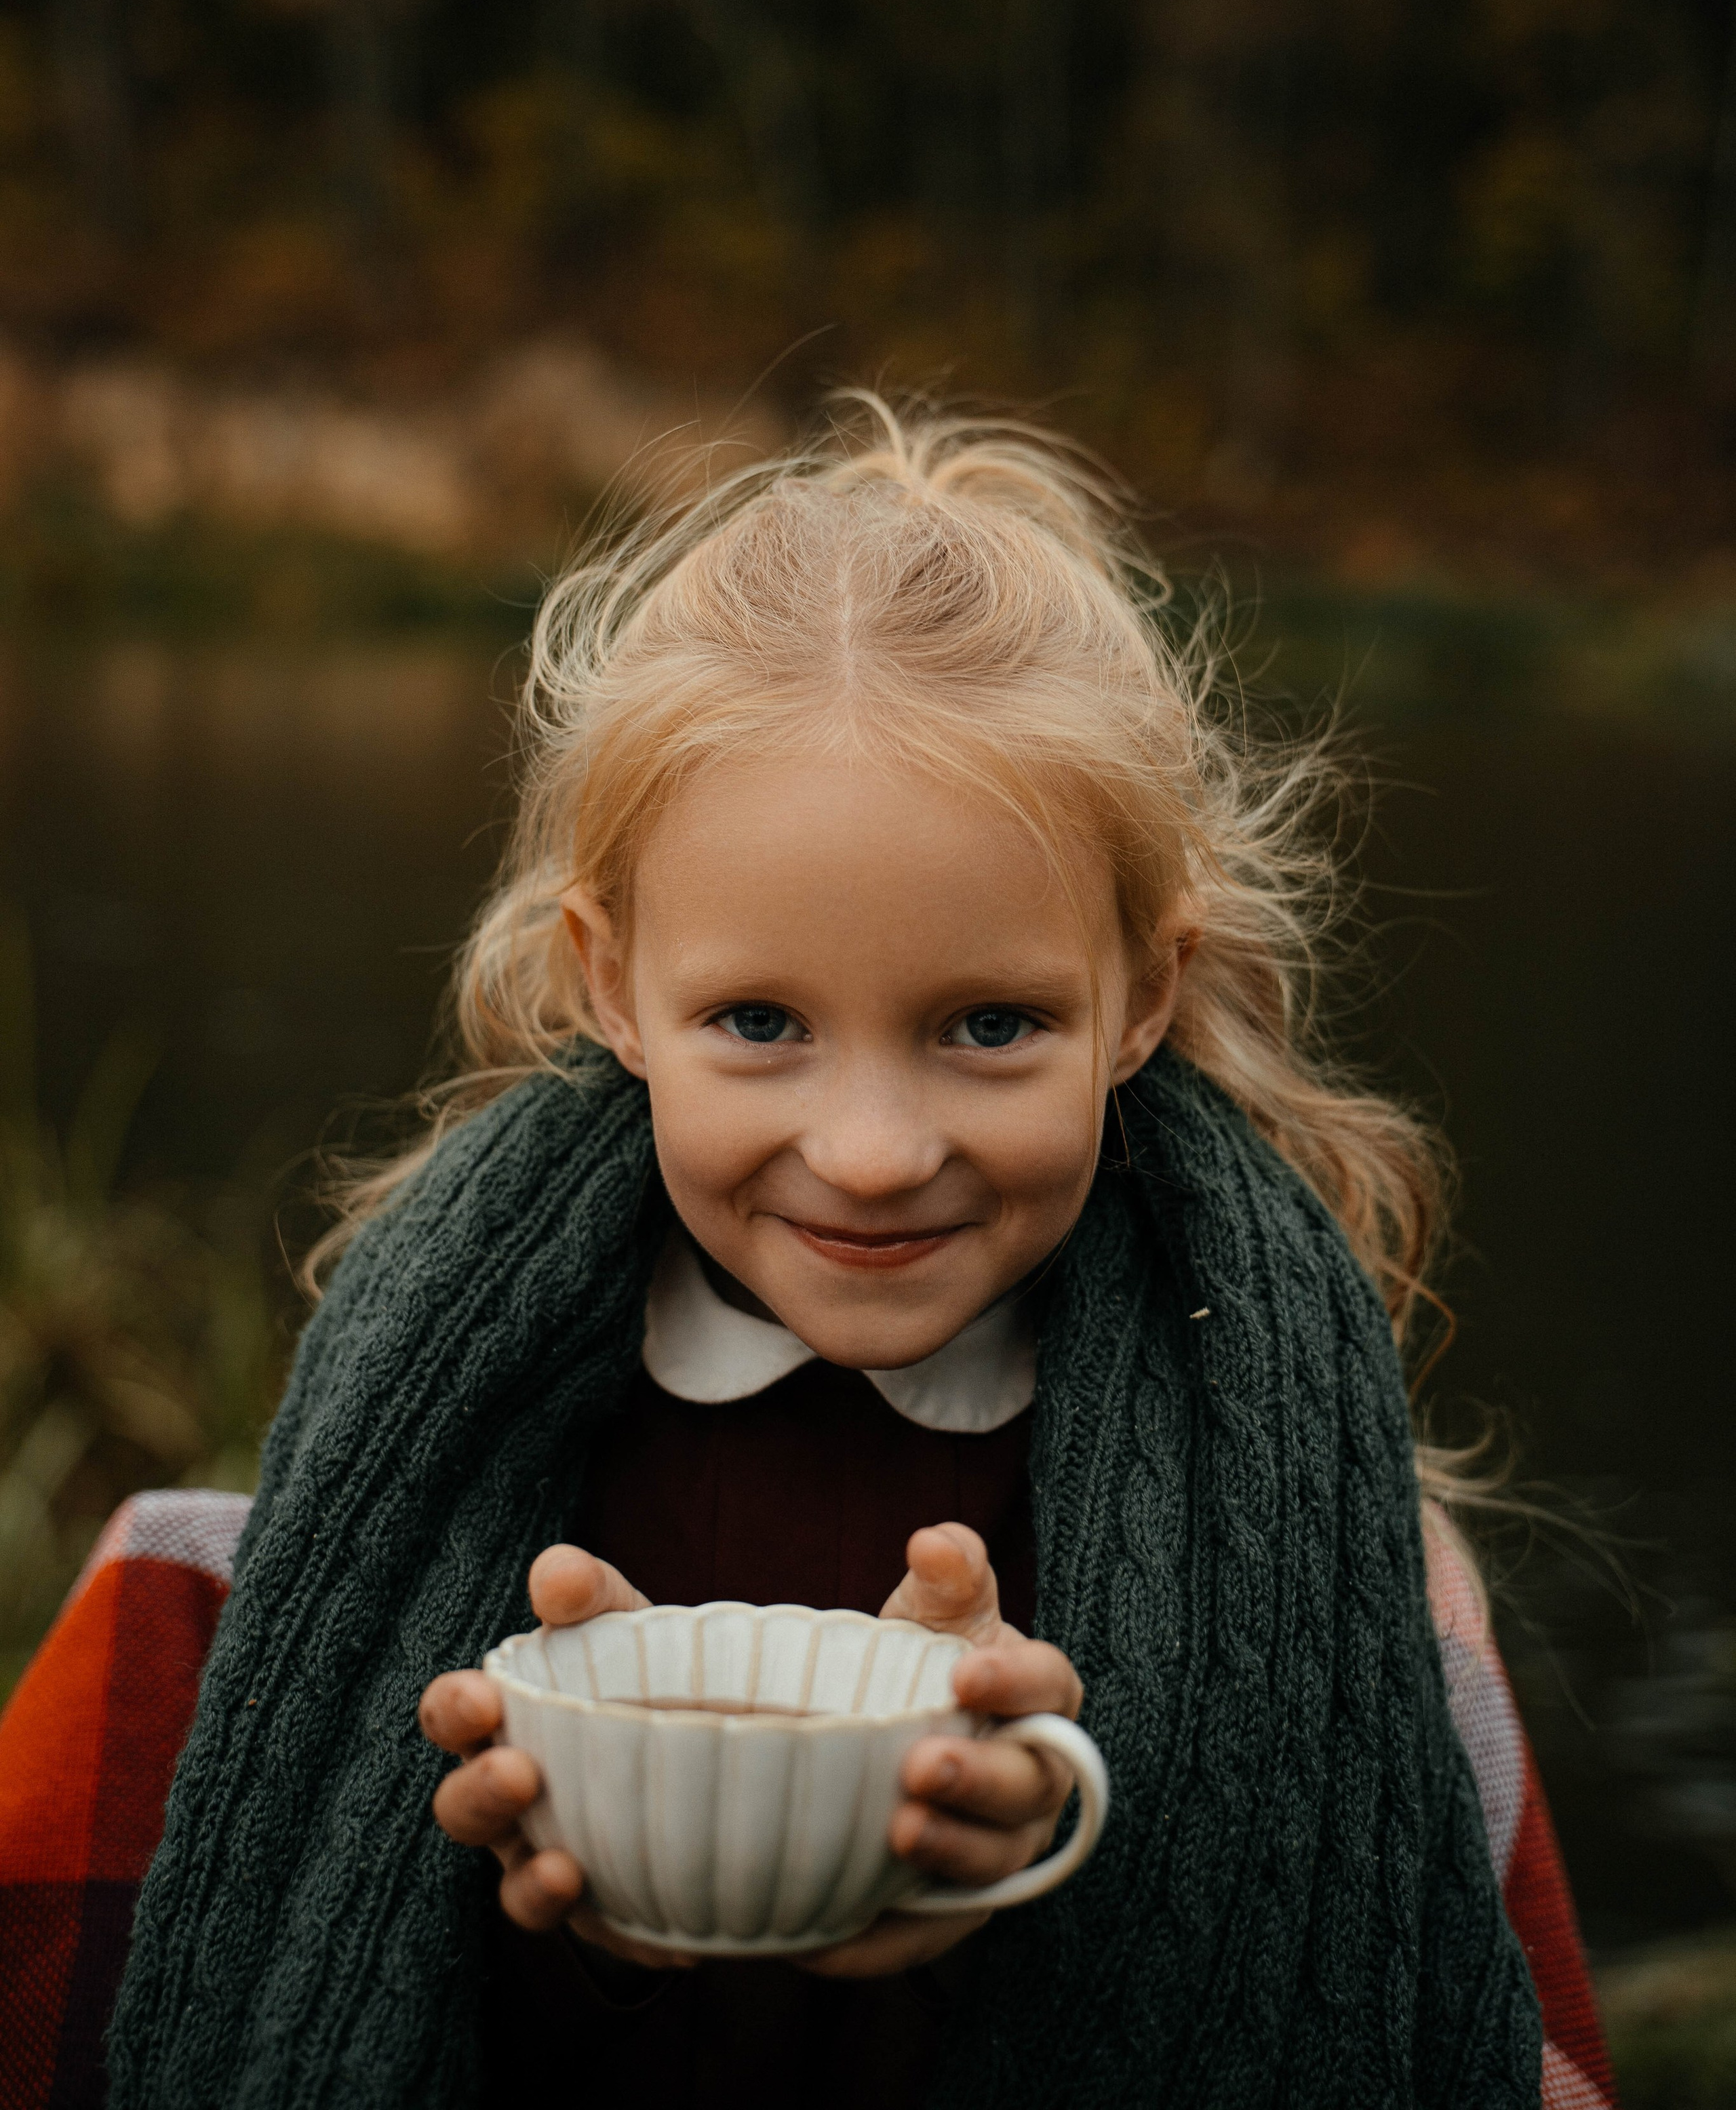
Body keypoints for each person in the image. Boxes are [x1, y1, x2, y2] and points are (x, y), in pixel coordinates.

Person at [26, 400, 1613, 2104]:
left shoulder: (1340, 1569)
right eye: (760, 1020)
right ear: (609, 983)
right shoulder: (245, 1588)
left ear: (1141, 997)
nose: (869, 1153)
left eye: (989, 1024)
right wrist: (580, 1910)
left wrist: (1053, 1869)